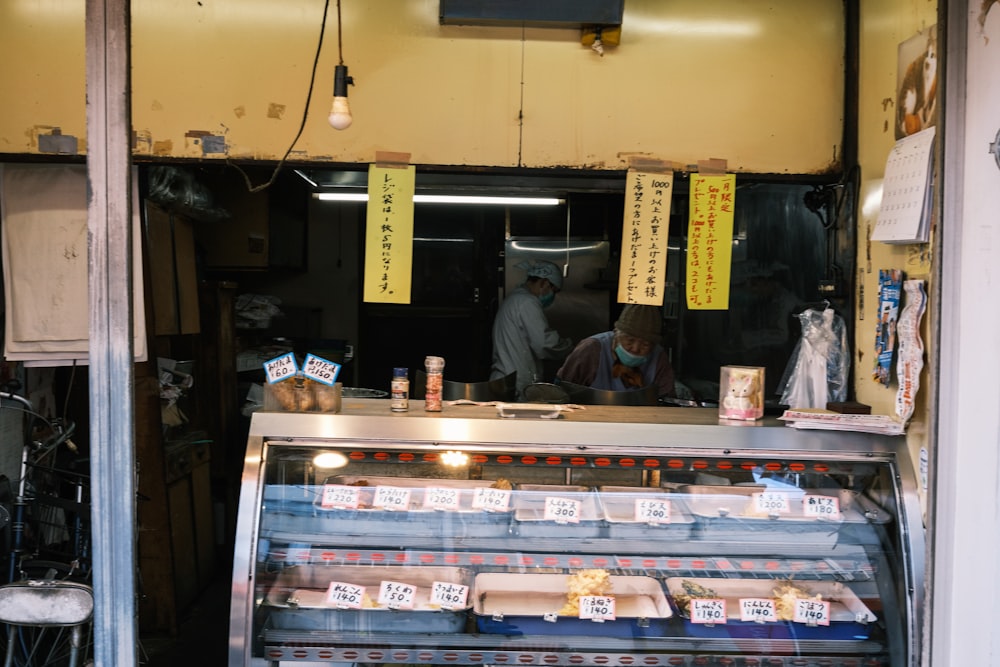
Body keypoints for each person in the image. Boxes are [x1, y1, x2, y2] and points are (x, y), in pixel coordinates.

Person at [490, 260, 573, 399]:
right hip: (516, 383)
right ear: (545, 283)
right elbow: (544, 344)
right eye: (554, 291)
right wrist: (570, 347)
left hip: (506, 379)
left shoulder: (515, 299)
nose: (552, 296)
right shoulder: (527, 302)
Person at [556, 303, 676, 397]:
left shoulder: (659, 357)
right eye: (629, 340)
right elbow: (561, 390)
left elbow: (667, 400)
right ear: (616, 334)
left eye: (645, 344)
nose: (635, 348)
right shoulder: (591, 349)